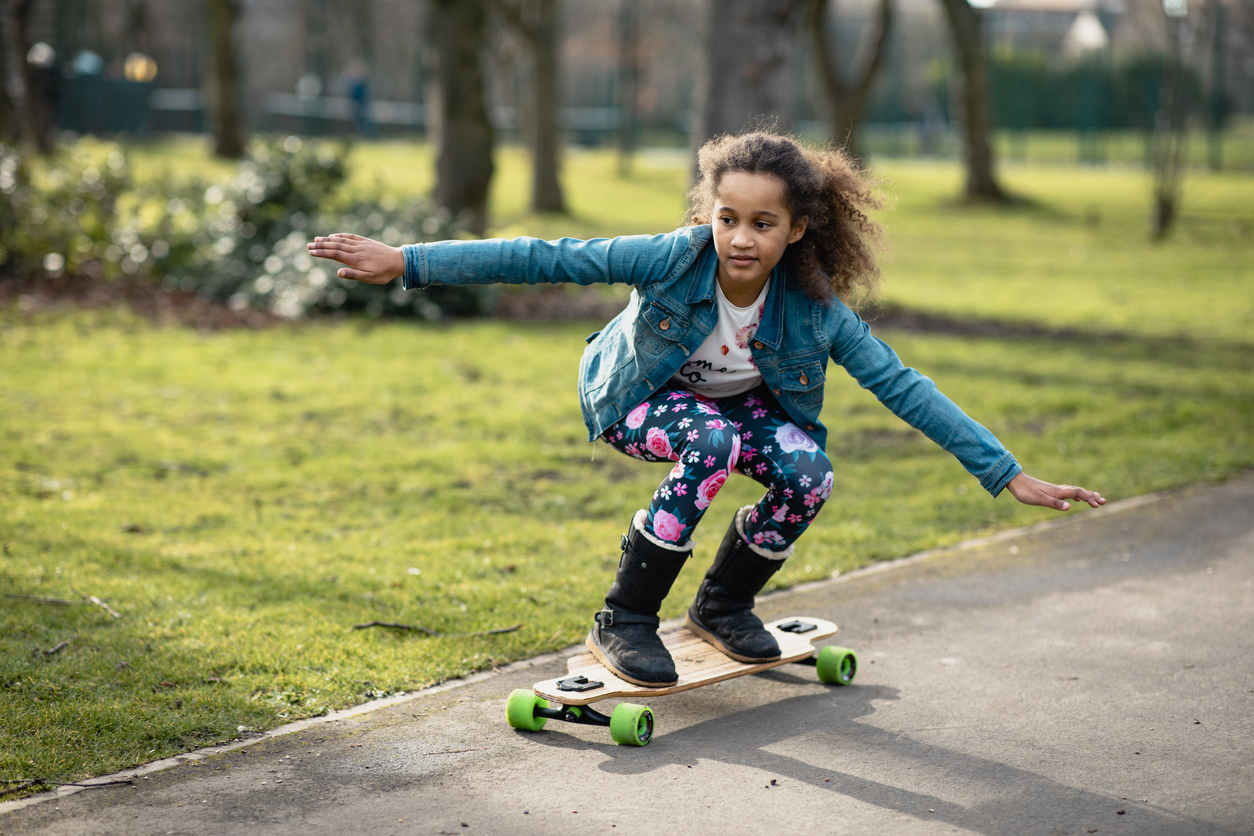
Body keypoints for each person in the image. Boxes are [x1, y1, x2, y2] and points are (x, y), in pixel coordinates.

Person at [308, 132, 1104, 689]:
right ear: (708, 215)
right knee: (712, 441)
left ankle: (723, 605)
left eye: (763, 223)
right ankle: (625, 617)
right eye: (728, 219)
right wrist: (407, 261)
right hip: (636, 401)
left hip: (725, 415)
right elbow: (545, 257)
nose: (741, 239)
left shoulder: (816, 312)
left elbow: (904, 386)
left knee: (809, 471)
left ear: (796, 229)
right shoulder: (673, 258)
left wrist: (1006, 473)